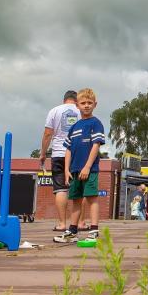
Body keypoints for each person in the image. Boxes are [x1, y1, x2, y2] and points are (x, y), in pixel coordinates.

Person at [54, 88, 107, 243]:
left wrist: (87, 167)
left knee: (91, 198)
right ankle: (72, 231)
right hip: (74, 170)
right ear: (77, 105)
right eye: (83, 103)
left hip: (89, 170)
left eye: (89, 103)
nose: (86, 105)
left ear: (95, 104)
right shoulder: (74, 127)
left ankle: (94, 230)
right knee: (75, 199)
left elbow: (96, 145)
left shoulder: (96, 124)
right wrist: (66, 170)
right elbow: (68, 149)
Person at [40, 90, 81, 232]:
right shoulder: (81, 111)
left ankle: (62, 224)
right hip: (77, 154)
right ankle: (80, 223)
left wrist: (43, 153)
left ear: (64, 100)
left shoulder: (54, 111)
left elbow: (47, 134)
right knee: (79, 189)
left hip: (58, 153)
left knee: (60, 189)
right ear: (77, 100)